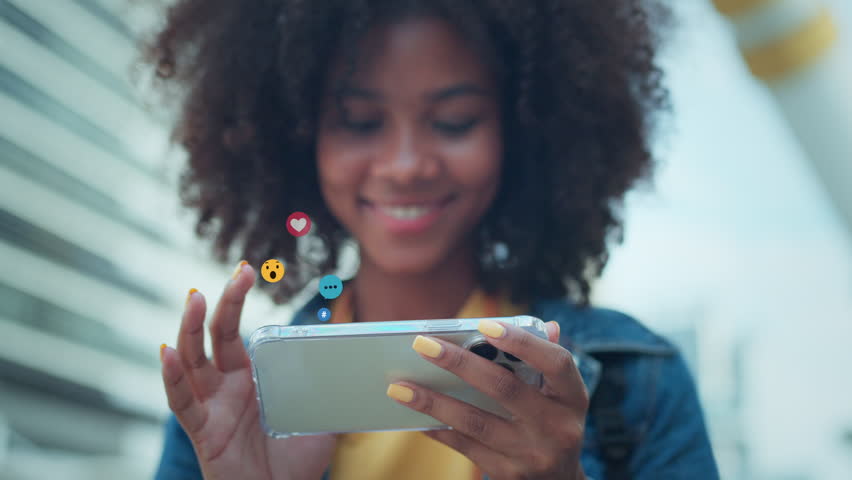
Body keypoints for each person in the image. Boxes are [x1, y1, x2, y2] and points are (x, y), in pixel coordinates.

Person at [143, 0, 719, 478]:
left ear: (521, 133)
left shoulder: (638, 385)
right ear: (296, 139)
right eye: (361, 122)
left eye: (455, 121)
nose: (404, 165)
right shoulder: (232, 405)